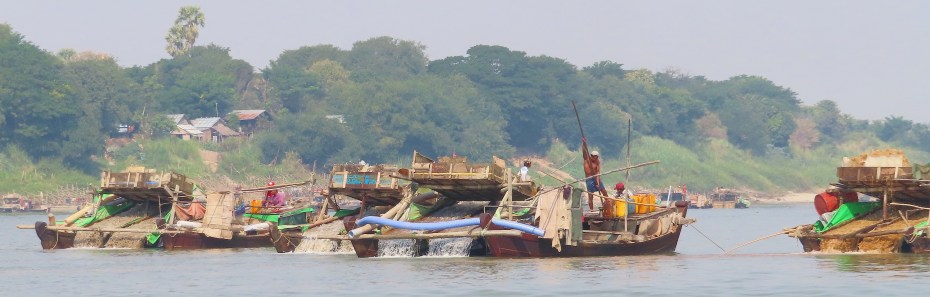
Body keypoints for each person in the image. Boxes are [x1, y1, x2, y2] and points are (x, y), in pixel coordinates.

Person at [582, 138, 610, 212]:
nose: (594, 158)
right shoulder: (587, 159)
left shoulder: (597, 162)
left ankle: (608, 205)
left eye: (596, 157)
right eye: (593, 156)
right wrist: (584, 144)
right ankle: (591, 210)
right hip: (589, 180)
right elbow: (584, 152)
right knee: (590, 196)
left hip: (595, 178)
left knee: (604, 191)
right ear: (591, 155)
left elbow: (597, 172)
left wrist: (597, 182)